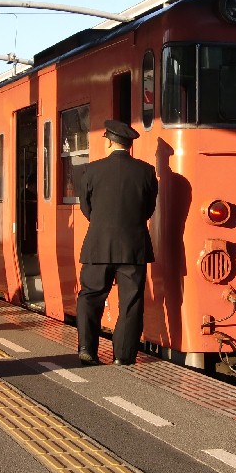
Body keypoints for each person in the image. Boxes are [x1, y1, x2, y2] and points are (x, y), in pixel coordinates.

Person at [76, 119, 158, 366]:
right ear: (129, 144)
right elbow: (148, 209)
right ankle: (123, 356)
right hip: (133, 248)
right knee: (131, 301)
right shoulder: (146, 171)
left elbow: (86, 208)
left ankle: (87, 350)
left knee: (90, 296)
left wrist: (102, 224)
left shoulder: (91, 170)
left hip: (98, 246)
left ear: (110, 142)